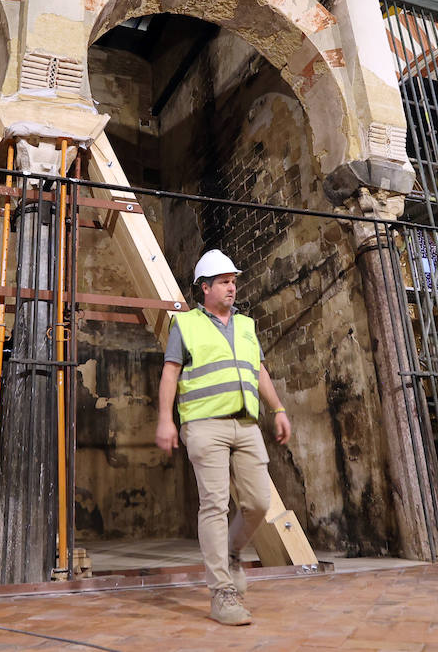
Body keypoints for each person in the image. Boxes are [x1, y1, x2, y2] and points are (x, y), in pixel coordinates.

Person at [155, 250, 291, 626]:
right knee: (213, 505)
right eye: (225, 281)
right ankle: (222, 593)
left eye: (234, 281)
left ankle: (232, 554)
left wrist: (278, 409)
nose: (232, 287)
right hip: (203, 425)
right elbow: (170, 374)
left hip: (246, 424)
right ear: (205, 287)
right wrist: (165, 420)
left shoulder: (246, 325)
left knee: (259, 503)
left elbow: (258, 369)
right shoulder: (185, 325)